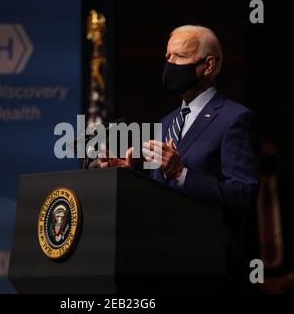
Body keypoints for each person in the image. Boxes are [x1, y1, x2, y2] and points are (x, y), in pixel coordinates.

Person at [99, 25, 261, 291]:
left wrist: (181, 174)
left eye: (179, 57)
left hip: (212, 269)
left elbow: (243, 194)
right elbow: (160, 193)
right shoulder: (167, 122)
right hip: (163, 264)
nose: (169, 64)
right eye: (167, 57)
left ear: (208, 65)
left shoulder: (235, 119)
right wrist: (129, 177)